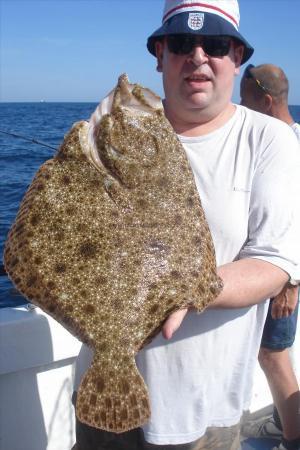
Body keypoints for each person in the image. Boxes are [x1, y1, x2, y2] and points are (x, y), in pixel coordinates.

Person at [73, 1, 300, 449]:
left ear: (237, 58)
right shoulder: (115, 129)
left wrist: (190, 288)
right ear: (159, 55)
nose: (198, 56)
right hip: (100, 382)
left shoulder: (267, 138)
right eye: (181, 43)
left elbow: (274, 260)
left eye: (215, 44)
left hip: (202, 405)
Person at [240, 64, 300, 449]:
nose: (238, 109)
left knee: (273, 354)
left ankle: (292, 437)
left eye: (244, 102)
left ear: (265, 101)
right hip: (268, 272)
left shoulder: (287, 145)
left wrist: (291, 283)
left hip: (285, 277)